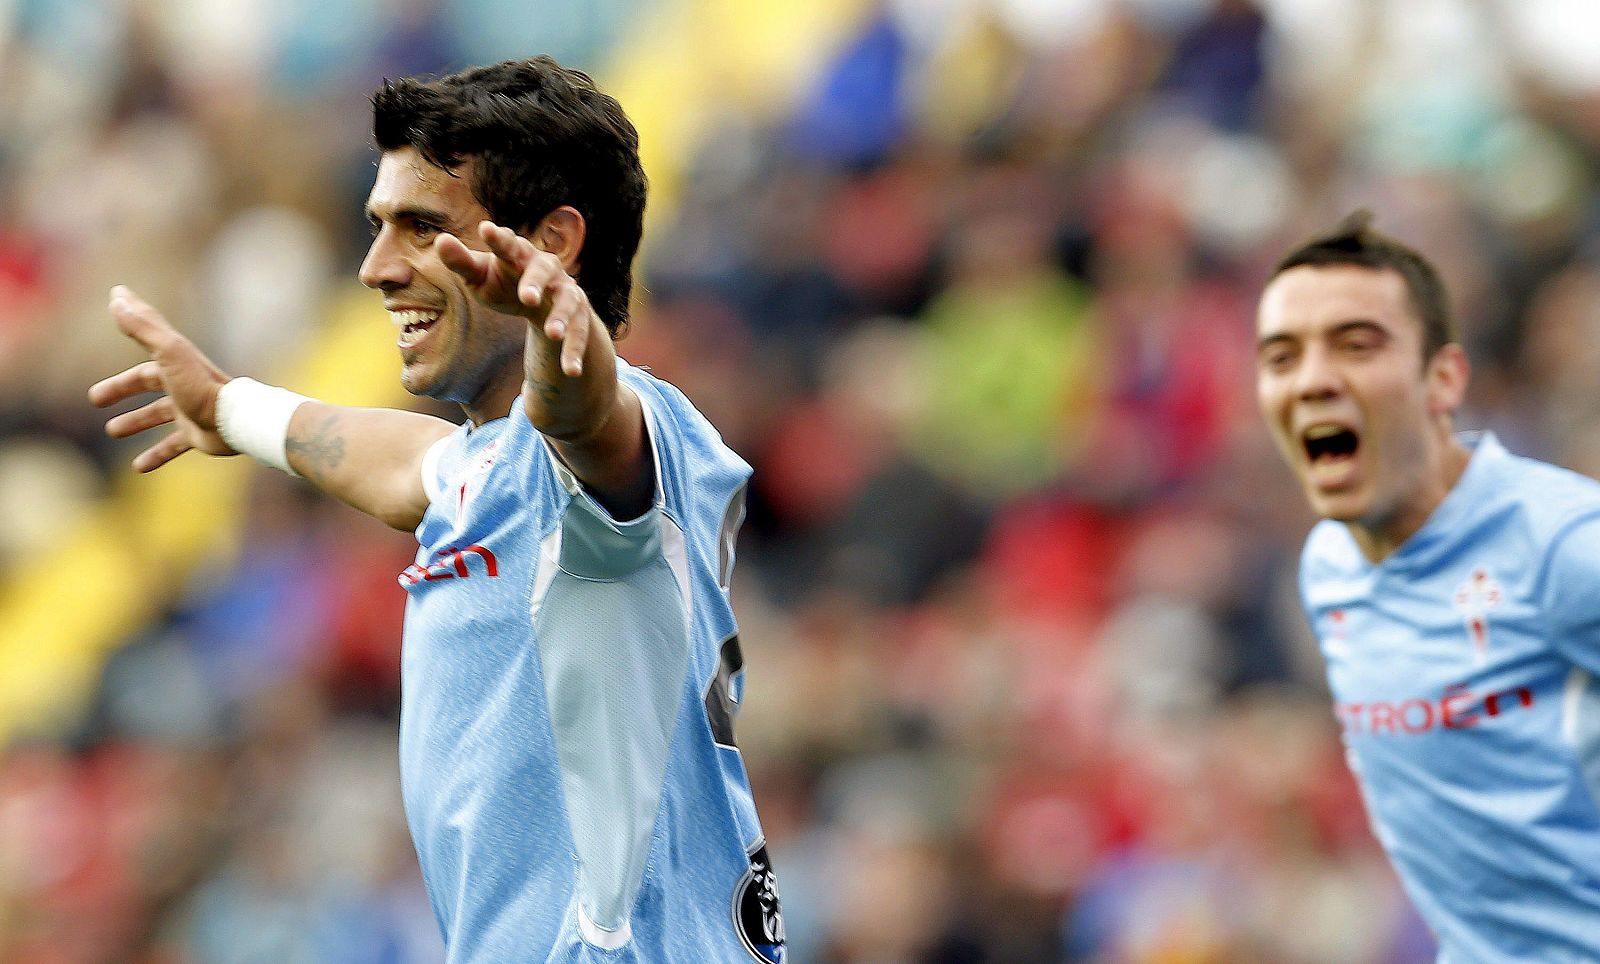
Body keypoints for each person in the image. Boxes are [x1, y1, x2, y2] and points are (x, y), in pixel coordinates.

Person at [89, 57, 785, 963]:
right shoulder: (487, 470)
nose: (377, 269)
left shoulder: (628, 441)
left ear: (552, 245)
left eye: (421, 228)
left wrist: (566, 360)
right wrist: (232, 409)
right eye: (378, 227)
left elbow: (587, 420)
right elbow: (401, 466)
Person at [1256, 211, 1600, 960]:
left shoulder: (1565, 548)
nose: (1314, 380)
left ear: (1443, 378)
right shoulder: (1328, 568)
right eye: (1282, 357)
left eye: (1356, 346)